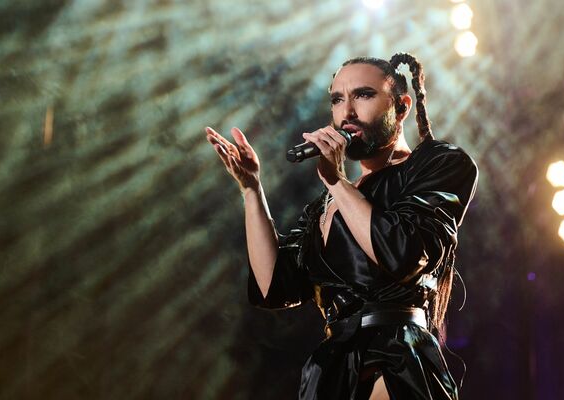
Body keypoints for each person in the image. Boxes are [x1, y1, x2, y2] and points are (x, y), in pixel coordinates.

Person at [205, 53, 478, 400]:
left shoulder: (439, 164)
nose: (346, 112)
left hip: (395, 361)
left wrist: (336, 183)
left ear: (402, 106)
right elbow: (274, 286)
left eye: (363, 95)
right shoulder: (328, 204)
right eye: (337, 99)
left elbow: (401, 252)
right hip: (333, 370)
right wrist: (251, 190)